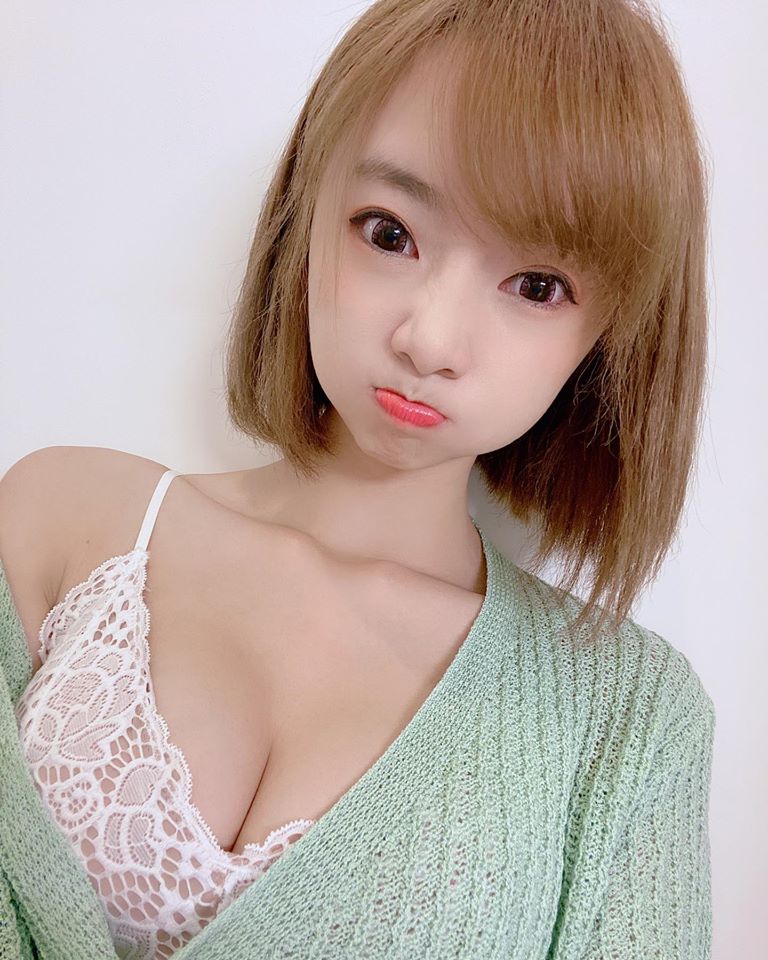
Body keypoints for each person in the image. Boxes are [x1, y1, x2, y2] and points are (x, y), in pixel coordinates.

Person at [0, 1, 715, 958]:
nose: (430, 339)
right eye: (388, 232)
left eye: (538, 286)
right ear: (307, 207)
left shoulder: (629, 718)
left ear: (610, 336)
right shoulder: (60, 518)